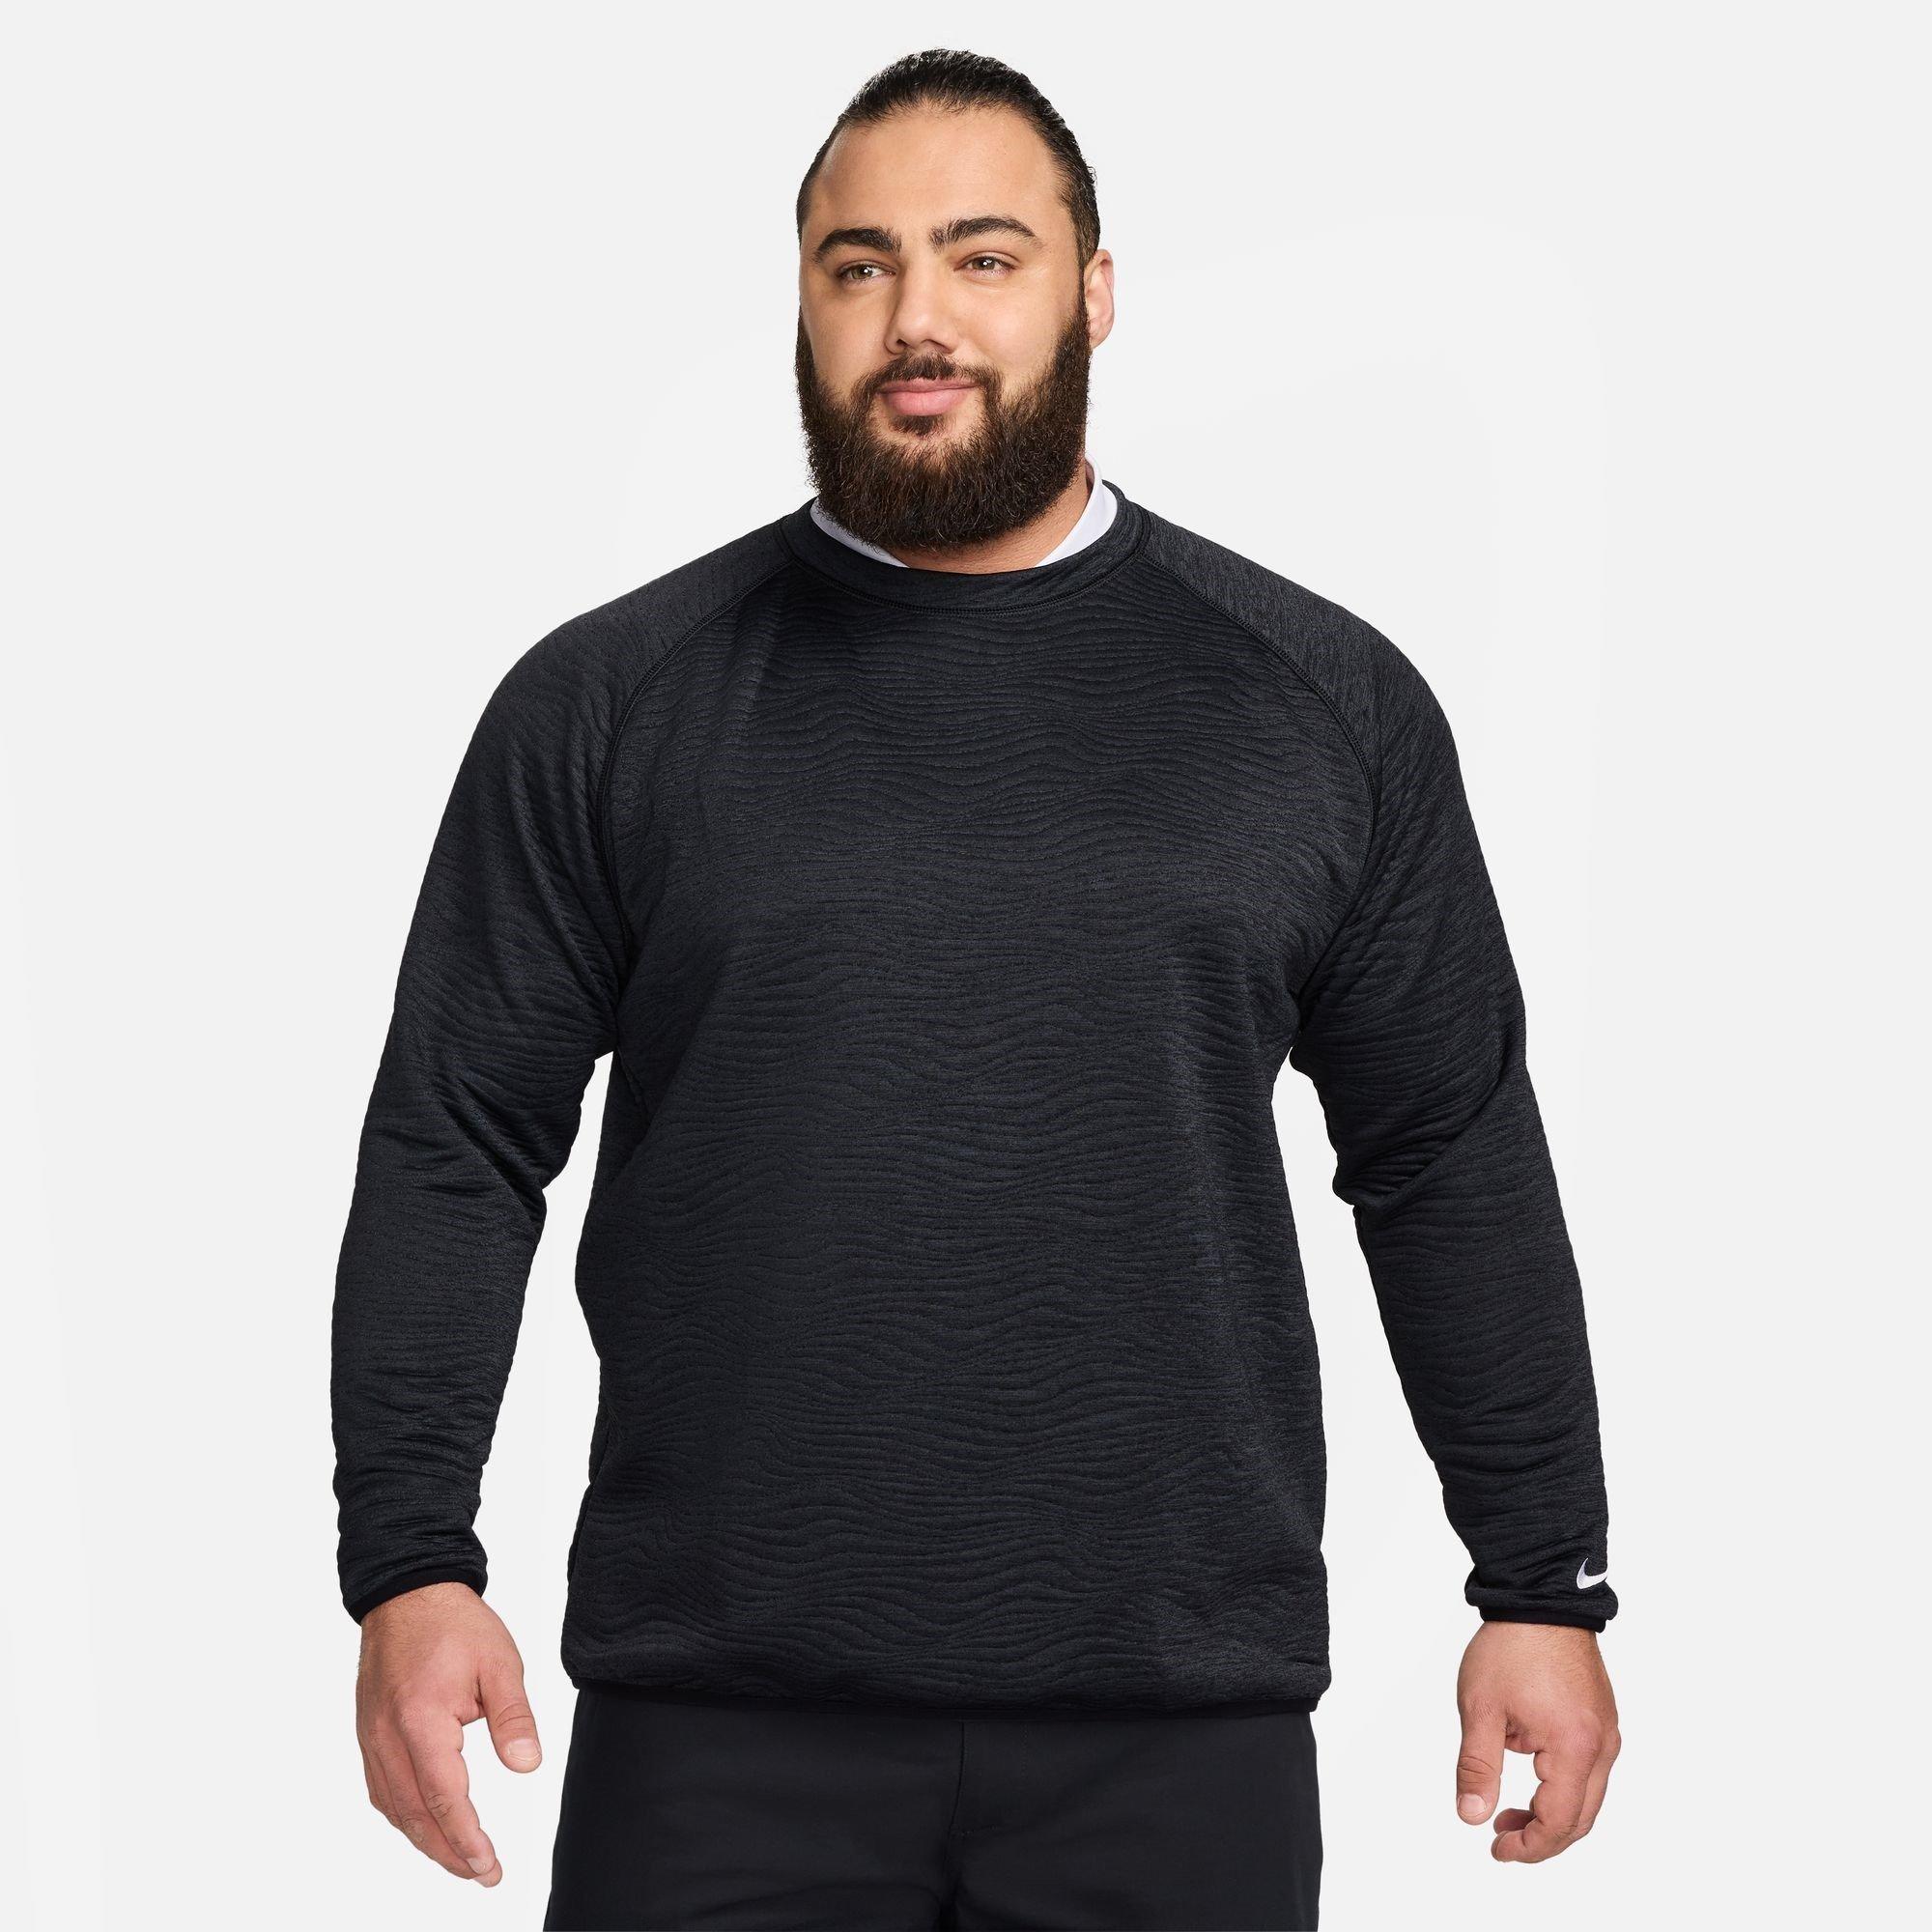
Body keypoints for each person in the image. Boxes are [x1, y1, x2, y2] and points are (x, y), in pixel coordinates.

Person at [332, 47, 1622, 1932]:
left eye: (982, 256)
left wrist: (1538, 1580)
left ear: (1091, 292)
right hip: (715, 1721)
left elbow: (1447, 1154)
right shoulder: (610, 703)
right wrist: (408, 1560)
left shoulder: (1318, 703)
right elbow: (458, 1138)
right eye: (858, 265)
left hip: (1175, 1722)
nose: (915, 317)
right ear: (803, 299)